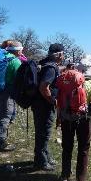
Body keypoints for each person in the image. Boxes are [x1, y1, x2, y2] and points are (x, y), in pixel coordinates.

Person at [59, 58, 91, 181]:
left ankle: (65, 175)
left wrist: (59, 118)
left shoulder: (66, 81)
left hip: (67, 118)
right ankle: (80, 178)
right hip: (84, 119)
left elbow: (60, 101)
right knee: (83, 147)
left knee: (67, 146)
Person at [32, 43, 64, 171]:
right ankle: (41, 162)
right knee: (43, 133)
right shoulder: (51, 68)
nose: (63, 56)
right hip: (44, 105)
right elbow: (43, 87)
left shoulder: (45, 63)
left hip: (38, 104)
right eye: (62, 53)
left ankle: (44, 156)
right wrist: (52, 101)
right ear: (60, 54)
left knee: (42, 132)